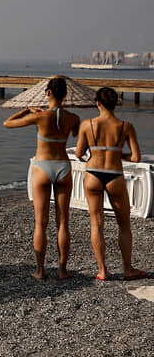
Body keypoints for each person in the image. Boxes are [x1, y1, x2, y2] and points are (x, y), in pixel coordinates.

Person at [3, 76, 80, 279]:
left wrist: (28, 111)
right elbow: (74, 134)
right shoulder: (73, 117)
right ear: (65, 95)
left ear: (48, 93)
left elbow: (7, 123)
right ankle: (63, 271)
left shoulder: (39, 117)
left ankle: (40, 270)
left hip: (42, 167)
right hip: (63, 166)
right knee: (63, 223)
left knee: (41, 223)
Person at [74, 87, 148, 281]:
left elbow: (79, 154)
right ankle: (127, 269)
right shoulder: (126, 126)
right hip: (114, 174)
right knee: (124, 225)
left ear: (97, 103)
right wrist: (118, 154)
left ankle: (102, 271)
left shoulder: (87, 124)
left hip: (92, 174)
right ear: (116, 103)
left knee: (96, 225)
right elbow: (136, 157)